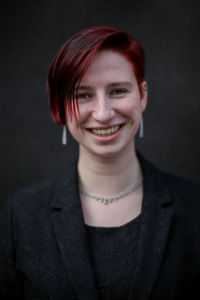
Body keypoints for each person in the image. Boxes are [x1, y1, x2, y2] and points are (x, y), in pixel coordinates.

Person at [0, 26, 200, 300]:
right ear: (59, 105)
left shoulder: (195, 209)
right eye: (83, 95)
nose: (103, 114)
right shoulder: (19, 216)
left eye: (118, 91)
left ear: (142, 96)